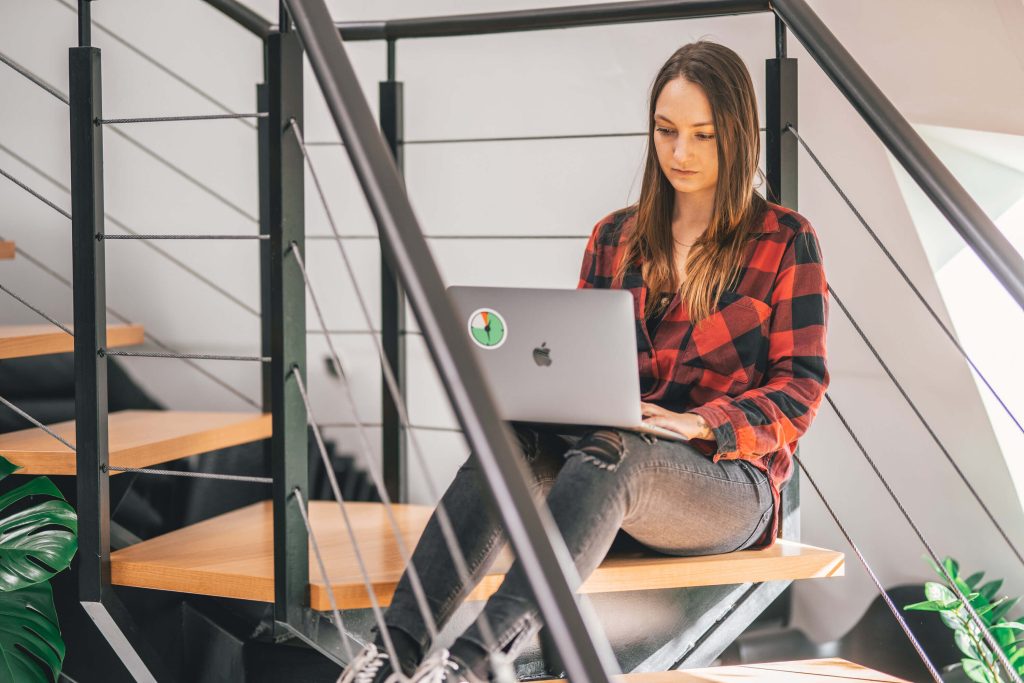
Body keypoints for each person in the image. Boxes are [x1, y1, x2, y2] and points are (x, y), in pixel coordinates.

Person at [339, 39, 830, 683]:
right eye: (666, 131)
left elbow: (800, 388)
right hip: (605, 468)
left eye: (704, 136)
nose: (680, 153)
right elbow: (573, 359)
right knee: (513, 440)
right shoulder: (615, 236)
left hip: (726, 484)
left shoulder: (785, 239)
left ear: (738, 137)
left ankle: (473, 663)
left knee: (615, 452)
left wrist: (698, 423)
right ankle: (393, 652)